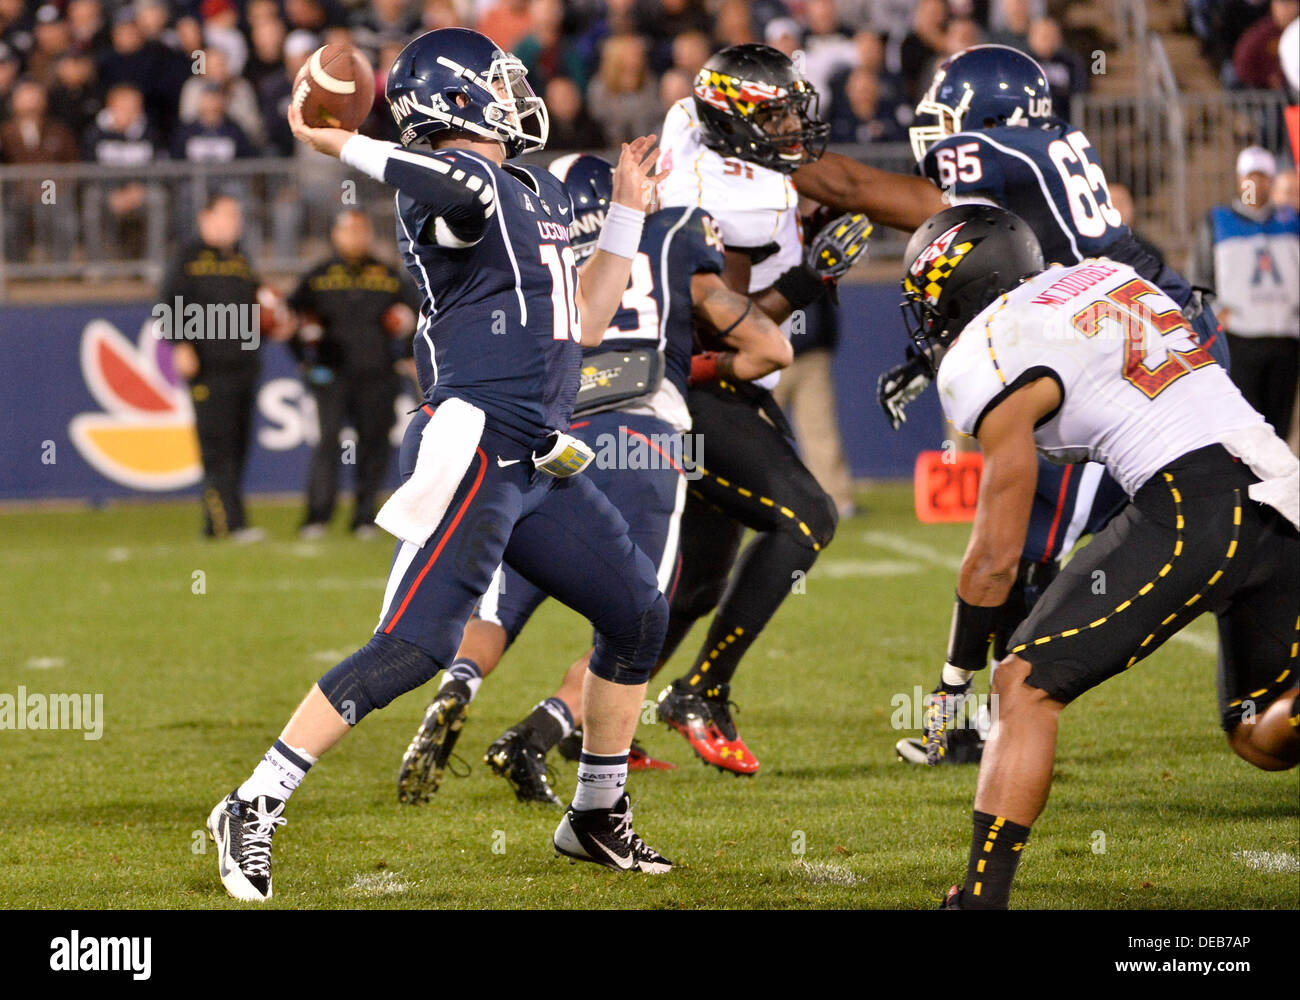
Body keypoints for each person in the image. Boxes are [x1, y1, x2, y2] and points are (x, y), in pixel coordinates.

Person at [207, 27, 672, 901]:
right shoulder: (460, 187)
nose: (516, 88)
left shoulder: (522, 190)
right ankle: (252, 802)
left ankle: (595, 813)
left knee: (640, 614)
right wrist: (337, 139)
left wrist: (627, 211)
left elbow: (590, 322)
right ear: (455, 99)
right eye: (496, 78)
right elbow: (449, 178)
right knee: (415, 647)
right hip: (473, 446)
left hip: (536, 454)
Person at [789, 45, 1233, 764]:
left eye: (946, 111)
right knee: (1032, 542)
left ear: (979, 116)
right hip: (1136, 332)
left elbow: (866, 189)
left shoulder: (988, 149)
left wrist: (762, 150)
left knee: (1036, 542)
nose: (935, 129)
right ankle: (986, 717)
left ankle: (993, 718)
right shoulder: (1041, 147)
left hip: (1144, 355)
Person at [896, 204, 1298, 910]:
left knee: (1021, 686)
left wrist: (954, 676)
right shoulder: (1103, 275)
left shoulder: (984, 349)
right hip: (1280, 489)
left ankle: (979, 901)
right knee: (1257, 731)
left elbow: (995, 555)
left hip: (1193, 501)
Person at [396, 153, 793, 805]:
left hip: (551, 436)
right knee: (635, 617)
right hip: (642, 435)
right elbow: (771, 350)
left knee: (506, 601)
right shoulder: (666, 237)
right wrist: (693, 368)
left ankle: (459, 682)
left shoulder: (530, 257)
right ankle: (537, 734)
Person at [650, 43, 870, 776]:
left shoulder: (695, 130)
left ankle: (551, 734)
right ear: (737, 121)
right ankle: (701, 690)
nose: (790, 127)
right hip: (689, 389)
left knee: (698, 586)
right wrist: (808, 279)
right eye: (775, 114)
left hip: (698, 383)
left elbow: (739, 318)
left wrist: (809, 273)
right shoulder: (732, 194)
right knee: (810, 516)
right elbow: (732, 326)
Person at [287, 209, 420, 539]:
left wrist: (406, 353)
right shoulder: (318, 275)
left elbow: (417, 317)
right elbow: (289, 318)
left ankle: (363, 517)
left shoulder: (387, 274)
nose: (356, 237)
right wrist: (303, 358)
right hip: (333, 373)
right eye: (349, 231)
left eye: (362, 231)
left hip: (378, 374)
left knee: (374, 444)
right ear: (335, 234)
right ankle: (318, 516)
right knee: (328, 441)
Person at [160, 193, 272, 542]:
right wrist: (180, 345)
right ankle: (230, 525)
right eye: (226, 215)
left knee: (238, 445)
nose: (233, 222)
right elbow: (168, 302)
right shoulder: (187, 259)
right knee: (217, 446)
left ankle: (219, 523)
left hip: (243, 365)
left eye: (236, 216)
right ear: (205, 218)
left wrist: (274, 317)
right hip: (209, 366)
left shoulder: (240, 260)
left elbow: (261, 304)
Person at [1189, 145, 1300, 438]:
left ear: (1271, 181)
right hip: (1239, 336)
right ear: (1239, 181)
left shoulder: (1291, 221)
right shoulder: (1217, 220)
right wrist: (1214, 311)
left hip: (1284, 334)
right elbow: (1199, 274)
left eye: (1262, 177)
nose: (1255, 184)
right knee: (1247, 424)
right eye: (1249, 177)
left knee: (1280, 425)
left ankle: (1277, 483)